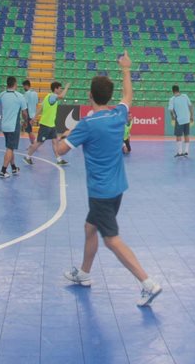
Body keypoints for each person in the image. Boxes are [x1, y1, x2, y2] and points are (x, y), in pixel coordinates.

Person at [62, 52, 162, 307]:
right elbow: (128, 96)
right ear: (108, 96)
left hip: (100, 192)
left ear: (90, 95)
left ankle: (148, 283)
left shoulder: (87, 124)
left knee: (111, 239)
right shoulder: (118, 114)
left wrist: (57, 135)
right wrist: (126, 68)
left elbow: (60, 150)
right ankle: (84, 273)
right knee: (90, 228)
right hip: (117, 188)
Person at [26, 81, 68, 166]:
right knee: (39, 142)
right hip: (46, 125)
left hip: (51, 125)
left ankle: (59, 159)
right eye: (60, 88)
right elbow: (62, 96)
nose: (61, 90)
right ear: (55, 89)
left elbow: (41, 109)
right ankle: (27, 157)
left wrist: (34, 118)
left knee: (55, 141)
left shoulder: (47, 97)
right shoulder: (52, 96)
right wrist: (67, 86)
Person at [0, 77, 27, 178]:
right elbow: (24, 113)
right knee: (10, 148)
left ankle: (14, 168)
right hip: (13, 126)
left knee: (9, 147)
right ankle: (3, 171)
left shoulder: (2, 94)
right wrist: (25, 122)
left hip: (4, 125)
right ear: (15, 84)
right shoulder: (19, 96)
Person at [168, 85, 192, 158]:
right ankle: (186, 151)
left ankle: (180, 152)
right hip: (187, 118)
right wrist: (191, 116)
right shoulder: (185, 96)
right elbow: (190, 106)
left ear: (172, 91)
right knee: (186, 134)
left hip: (179, 119)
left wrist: (172, 117)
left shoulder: (172, 99)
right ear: (179, 90)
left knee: (178, 135)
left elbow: (171, 110)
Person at [22, 79, 39, 147]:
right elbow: (36, 104)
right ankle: (33, 145)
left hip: (28, 114)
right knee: (29, 130)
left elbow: (24, 105)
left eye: (24, 86)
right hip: (33, 114)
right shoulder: (35, 93)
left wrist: (24, 117)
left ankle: (35, 144)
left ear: (26, 86)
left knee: (29, 131)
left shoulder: (26, 94)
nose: (23, 88)